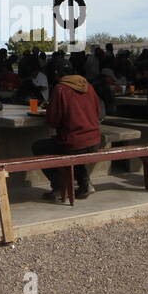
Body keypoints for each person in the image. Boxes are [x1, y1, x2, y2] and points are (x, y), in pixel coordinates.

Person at [33, 72, 102, 201]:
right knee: (74, 148)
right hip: (95, 140)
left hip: (73, 142)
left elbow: (53, 121)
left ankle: (59, 187)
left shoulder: (61, 89)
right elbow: (99, 112)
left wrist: (49, 111)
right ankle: (85, 184)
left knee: (39, 147)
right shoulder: (89, 87)